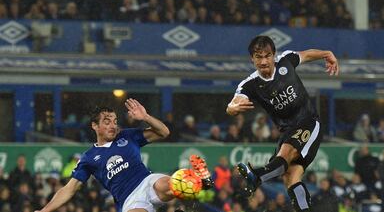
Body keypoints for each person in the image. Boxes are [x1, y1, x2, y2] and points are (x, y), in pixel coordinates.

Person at [35, 98, 212, 212]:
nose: (113, 125)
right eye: (106, 122)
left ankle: (201, 181)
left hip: (147, 181)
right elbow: (69, 189)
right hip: (129, 199)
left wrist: (145, 117)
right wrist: (45, 210)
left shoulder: (127, 136)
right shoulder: (89, 157)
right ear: (94, 126)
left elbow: (164, 132)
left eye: (115, 121)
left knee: (176, 183)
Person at [226, 35, 339, 211]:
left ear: (274, 55)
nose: (264, 61)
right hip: (287, 131)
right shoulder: (250, 84)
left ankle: (257, 176)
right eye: (258, 57)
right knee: (291, 177)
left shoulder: (286, 61)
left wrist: (326, 53)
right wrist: (231, 109)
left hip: (308, 122)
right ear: (252, 59)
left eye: (267, 56)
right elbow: (234, 102)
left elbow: (307, 55)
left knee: (286, 153)